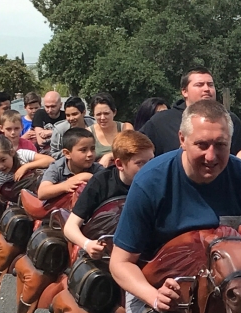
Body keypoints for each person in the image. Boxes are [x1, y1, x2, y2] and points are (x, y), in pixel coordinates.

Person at [110, 99, 241, 313]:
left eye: (220, 145)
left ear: (231, 142)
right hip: (158, 290)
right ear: (182, 139)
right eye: (202, 145)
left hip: (230, 293)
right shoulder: (150, 181)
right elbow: (120, 262)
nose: (211, 156)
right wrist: (152, 296)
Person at [62, 130, 154, 258]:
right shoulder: (100, 182)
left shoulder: (158, 181)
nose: (149, 168)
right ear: (120, 164)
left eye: (151, 160)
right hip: (107, 251)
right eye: (140, 163)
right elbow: (70, 227)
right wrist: (87, 244)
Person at [142, 69, 241, 156]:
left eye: (210, 85)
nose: (206, 89)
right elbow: (136, 151)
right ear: (184, 91)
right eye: (199, 85)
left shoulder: (229, 120)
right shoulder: (161, 122)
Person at [0, 135, 52, 243]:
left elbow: (50, 160)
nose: (0, 166)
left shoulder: (22, 155)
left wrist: (26, 166)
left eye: (3, 160)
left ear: (12, 152)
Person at [37, 127, 97, 201]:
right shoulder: (57, 167)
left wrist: (90, 177)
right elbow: (42, 193)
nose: (90, 154)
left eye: (93, 149)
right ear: (67, 153)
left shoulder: (97, 168)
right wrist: (65, 185)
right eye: (83, 150)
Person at [91, 92, 133, 160]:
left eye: (106, 113)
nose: (102, 118)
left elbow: (131, 151)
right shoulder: (88, 133)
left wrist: (110, 156)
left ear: (114, 112)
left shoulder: (125, 128)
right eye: (98, 114)